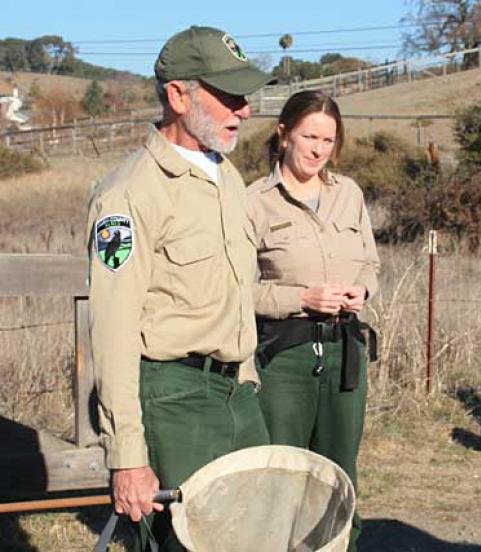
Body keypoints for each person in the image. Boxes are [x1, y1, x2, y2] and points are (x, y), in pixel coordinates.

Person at [87, 26, 274, 551]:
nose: (245, 109)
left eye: (245, 96)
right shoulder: (129, 194)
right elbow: (115, 331)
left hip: (237, 394)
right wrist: (128, 456)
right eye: (230, 96)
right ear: (178, 94)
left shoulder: (227, 177)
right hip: (173, 403)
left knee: (256, 537)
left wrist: (249, 377)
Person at [246, 89, 380, 551]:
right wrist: (301, 297)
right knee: (284, 472)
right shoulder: (253, 202)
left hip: (346, 354)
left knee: (340, 471)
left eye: (329, 139)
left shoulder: (350, 194)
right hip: (284, 358)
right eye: (310, 136)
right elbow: (240, 291)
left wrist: (362, 290)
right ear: (283, 134)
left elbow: (371, 266)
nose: (319, 149)